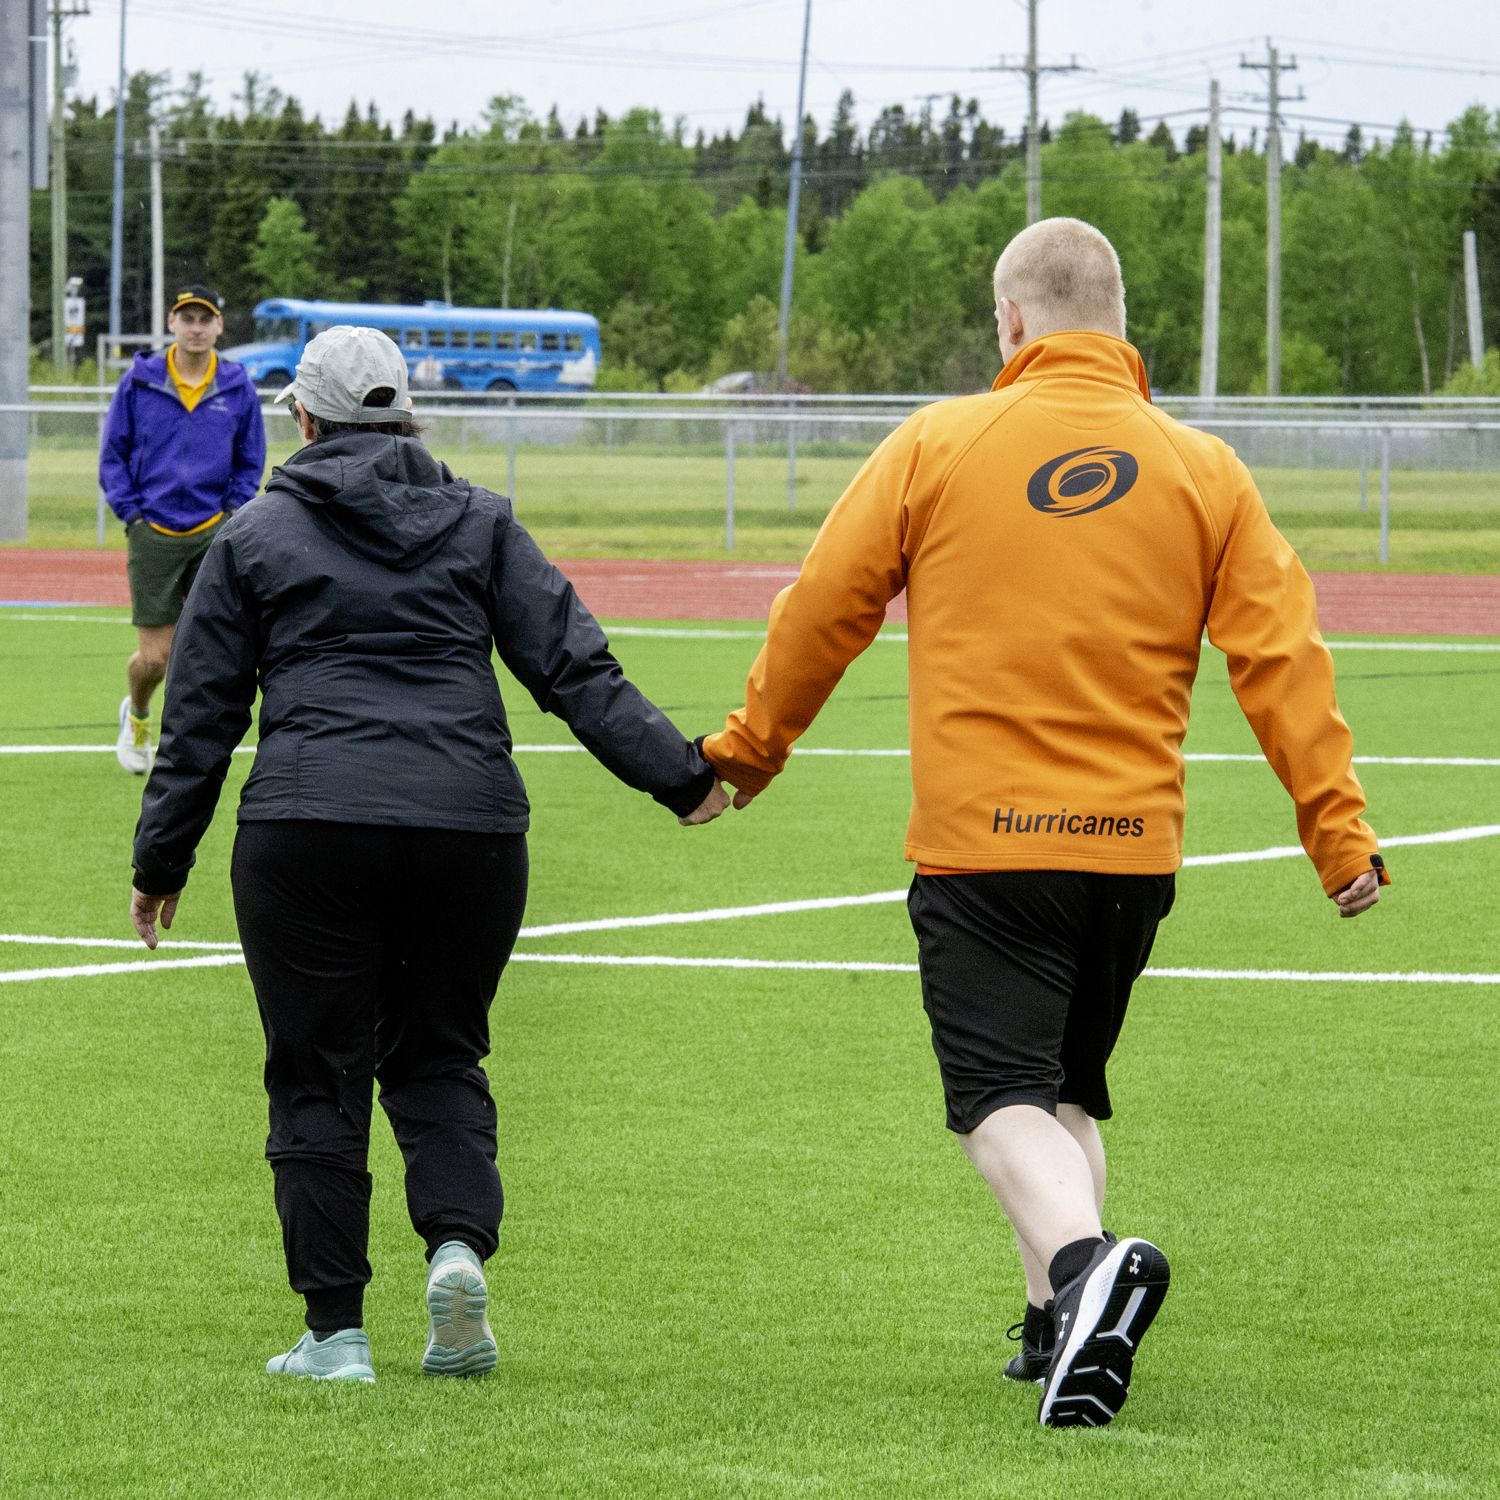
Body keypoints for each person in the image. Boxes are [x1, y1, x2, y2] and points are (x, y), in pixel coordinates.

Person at [699, 218, 1388, 1429]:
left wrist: (749, 753)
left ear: (1010, 324)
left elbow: (824, 610)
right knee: (1068, 1090)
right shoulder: (1206, 469)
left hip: (987, 842)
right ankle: (1049, 1332)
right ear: (1123, 324)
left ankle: (1085, 1271)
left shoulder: (937, 442)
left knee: (997, 1102)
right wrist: (1336, 829)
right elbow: (1284, 656)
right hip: (1132, 853)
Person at [128, 326, 730, 1384]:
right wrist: (679, 776)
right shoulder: (482, 521)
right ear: (408, 415)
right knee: (440, 1054)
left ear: (303, 421)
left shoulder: (256, 534)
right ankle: (456, 1251)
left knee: (318, 1070)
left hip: (309, 828)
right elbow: (575, 668)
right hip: (471, 828)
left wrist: (160, 860)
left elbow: (202, 720)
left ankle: (335, 1334)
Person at [100, 284, 266, 775]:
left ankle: (188, 744)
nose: (196, 328)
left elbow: (249, 459)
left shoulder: (237, 386)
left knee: (208, 651)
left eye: (205, 319)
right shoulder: (141, 381)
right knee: (156, 658)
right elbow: (113, 454)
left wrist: (232, 511)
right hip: (153, 531)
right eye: (186, 318)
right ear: (172, 323)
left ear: (219, 326)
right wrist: (132, 513)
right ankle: (138, 715)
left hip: (214, 530)